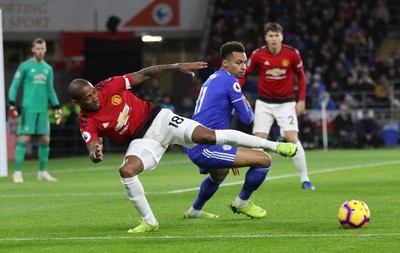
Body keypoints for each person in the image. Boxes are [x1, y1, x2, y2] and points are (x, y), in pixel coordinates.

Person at [67, 61, 297, 233]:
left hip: (160, 119)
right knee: (126, 171)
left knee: (208, 136)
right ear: (78, 103)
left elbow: (145, 73)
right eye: (87, 98)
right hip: (143, 140)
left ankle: (274, 146)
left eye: (93, 92)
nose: (94, 98)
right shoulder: (87, 121)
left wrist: (177, 66)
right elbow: (92, 146)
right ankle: (149, 222)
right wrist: (95, 153)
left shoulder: (108, 86)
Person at [183, 42, 296, 220]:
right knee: (264, 160)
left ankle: (194, 211)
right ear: (225, 63)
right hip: (204, 146)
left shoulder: (213, 78)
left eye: (245, 62)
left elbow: (214, 121)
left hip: (195, 140)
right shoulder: (230, 81)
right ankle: (242, 202)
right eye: (238, 62)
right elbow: (247, 118)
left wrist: (228, 152)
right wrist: (245, 101)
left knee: (220, 173)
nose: (243, 67)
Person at [239, 22, 315, 190]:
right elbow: (245, 74)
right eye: (270, 36)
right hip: (264, 103)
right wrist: (235, 91)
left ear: (282, 36)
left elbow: (301, 77)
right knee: (258, 141)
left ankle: (305, 179)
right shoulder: (258, 54)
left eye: (276, 35)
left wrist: (301, 100)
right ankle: (254, 180)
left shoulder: (292, 54)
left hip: (286, 103)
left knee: (292, 138)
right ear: (265, 38)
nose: (273, 39)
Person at [8, 37, 62, 183]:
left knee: (45, 139)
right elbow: (14, 85)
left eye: (42, 49)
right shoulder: (25, 66)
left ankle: (42, 172)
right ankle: (17, 172)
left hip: (43, 109)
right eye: (37, 48)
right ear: (33, 49)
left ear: (45, 50)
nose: (40, 51)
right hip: (28, 108)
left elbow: (50, 90)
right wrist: (12, 103)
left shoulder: (48, 68)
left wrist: (57, 106)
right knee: (24, 138)